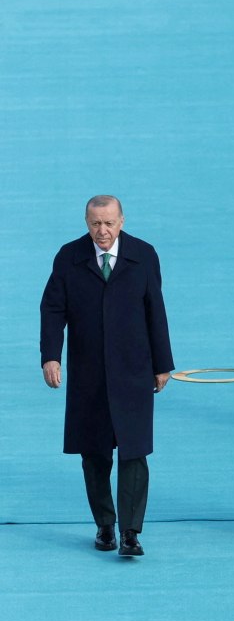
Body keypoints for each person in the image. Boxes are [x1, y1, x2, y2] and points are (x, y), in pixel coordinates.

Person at [39, 195, 174, 557]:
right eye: (95, 223)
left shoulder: (144, 255)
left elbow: (155, 309)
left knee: (134, 451)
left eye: (109, 223)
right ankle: (104, 525)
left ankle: (130, 532)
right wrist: (51, 356)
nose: (102, 231)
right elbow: (53, 309)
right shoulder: (69, 257)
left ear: (122, 221)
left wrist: (162, 364)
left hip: (134, 370)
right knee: (94, 452)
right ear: (87, 222)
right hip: (89, 373)